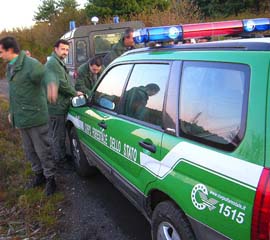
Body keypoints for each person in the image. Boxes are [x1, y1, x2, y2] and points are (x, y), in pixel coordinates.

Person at [0, 36, 56, 196]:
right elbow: (14, 93)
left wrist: (51, 84)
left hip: (35, 117)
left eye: (1, 51)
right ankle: (39, 175)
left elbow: (47, 75)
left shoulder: (31, 64)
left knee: (43, 150)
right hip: (22, 118)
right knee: (29, 151)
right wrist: (12, 111)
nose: (0, 55)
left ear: (10, 50)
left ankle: (51, 179)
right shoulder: (10, 67)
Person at [44, 39, 83, 169]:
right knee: (58, 135)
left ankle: (62, 156)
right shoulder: (53, 64)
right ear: (56, 49)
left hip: (60, 105)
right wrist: (75, 93)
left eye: (67, 50)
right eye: (63, 49)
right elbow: (62, 84)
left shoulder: (58, 62)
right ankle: (60, 161)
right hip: (56, 107)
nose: (65, 52)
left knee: (59, 134)